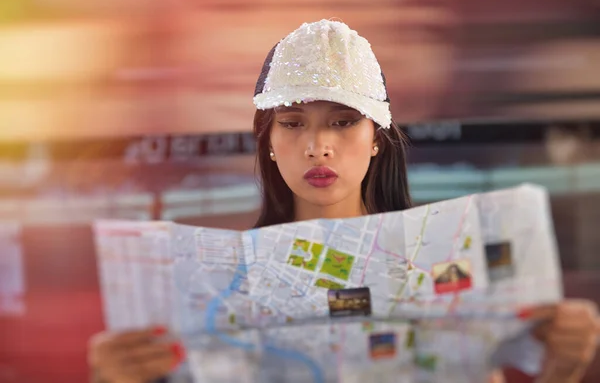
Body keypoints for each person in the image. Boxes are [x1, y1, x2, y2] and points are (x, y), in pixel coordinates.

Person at [88, 19, 600, 383]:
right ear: (267, 139)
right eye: (293, 124)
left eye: (342, 120)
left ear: (377, 136)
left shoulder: (441, 268)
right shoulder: (207, 288)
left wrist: (561, 370)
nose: (318, 146)